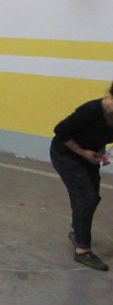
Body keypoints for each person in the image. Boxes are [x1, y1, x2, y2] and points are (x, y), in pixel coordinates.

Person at [50, 81, 113, 272]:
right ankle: (82, 250)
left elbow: (102, 135)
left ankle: (77, 231)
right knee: (86, 198)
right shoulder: (91, 110)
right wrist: (83, 152)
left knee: (92, 198)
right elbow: (60, 130)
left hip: (89, 156)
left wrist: (101, 151)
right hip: (65, 154)